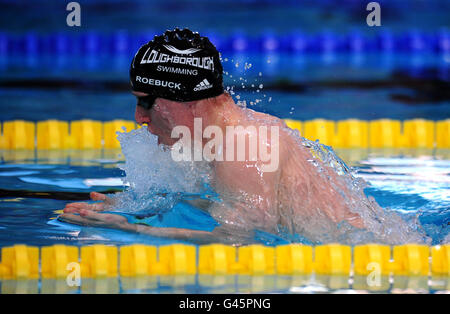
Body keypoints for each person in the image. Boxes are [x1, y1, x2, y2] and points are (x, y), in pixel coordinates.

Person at [59, 28, 420, 245]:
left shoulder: (243, 147)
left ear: (185, 98)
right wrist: (140, 210)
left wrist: (131, 230)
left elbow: (240, 240)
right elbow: (241, 211)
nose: (139, 117)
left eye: (148, 102)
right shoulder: (229, 135)